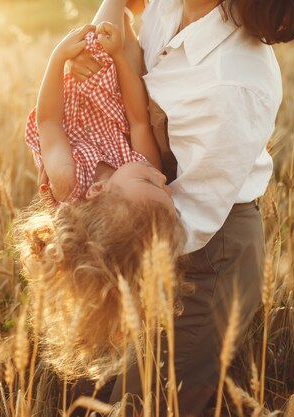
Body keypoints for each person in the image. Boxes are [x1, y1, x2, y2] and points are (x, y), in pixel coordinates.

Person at [70, 0, 294, 415]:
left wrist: (105, 217)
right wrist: (96, 49)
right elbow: (136, 51)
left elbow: (191, 217)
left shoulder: (235, 80)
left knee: (145, 404)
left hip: (207, 252)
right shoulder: (174, 7)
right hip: (146, 217)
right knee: (96, 391)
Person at [15, 10, 185, 382]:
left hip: (70, 94)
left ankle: (117, 5)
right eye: (164, 189)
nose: (161, 175)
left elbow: (49, 122)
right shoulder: (139, 164)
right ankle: (123, 14)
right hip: (116, 93)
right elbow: (138, 119)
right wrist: (122, 57)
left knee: (94, 44)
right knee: (113, 47)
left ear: (99, 191)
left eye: (150, 184)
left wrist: (58, 57)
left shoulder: (68, 179)